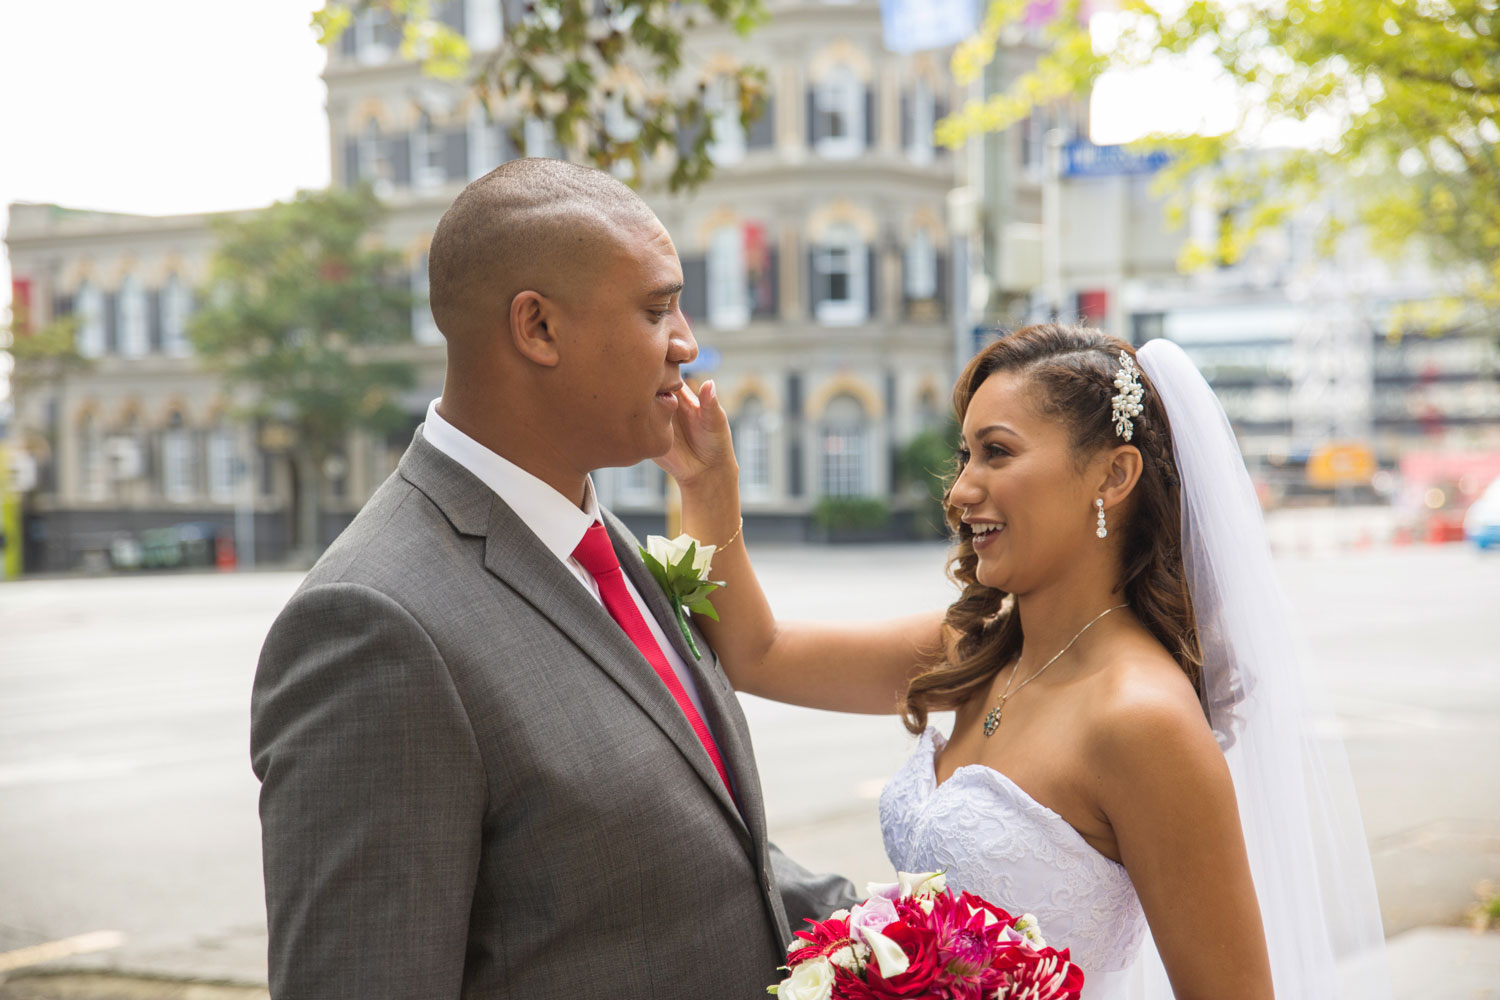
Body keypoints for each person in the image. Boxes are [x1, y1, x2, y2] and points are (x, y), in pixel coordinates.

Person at [250, 159, 855, 999]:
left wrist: (926, 944)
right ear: (537, 328)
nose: (686, 341)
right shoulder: (373, 627)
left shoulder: (605, 545)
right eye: (657, 308)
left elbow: (696, 863)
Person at [663, 324, 1388, 1000]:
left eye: (997, 452)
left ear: (1113, 475)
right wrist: (707, 484)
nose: (958, 492)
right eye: (964, 455)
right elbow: (758, 653)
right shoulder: (977, 650)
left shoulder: (1143, 721)